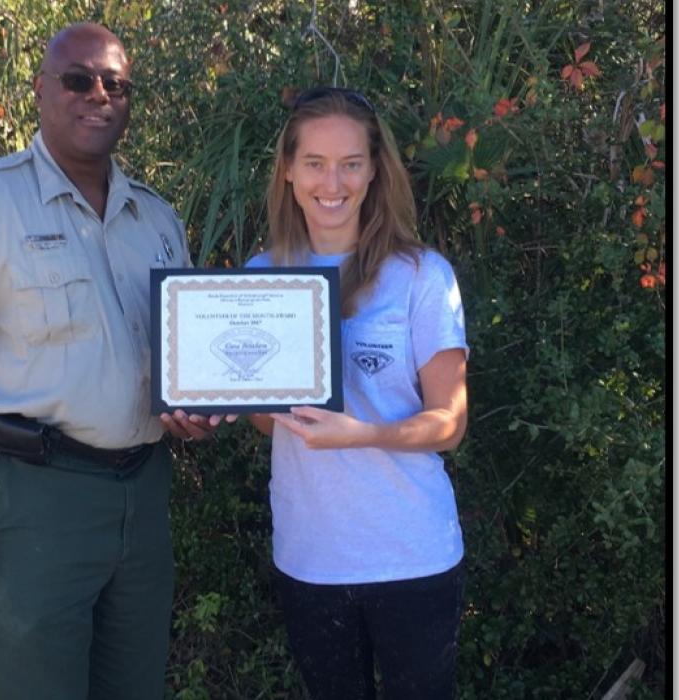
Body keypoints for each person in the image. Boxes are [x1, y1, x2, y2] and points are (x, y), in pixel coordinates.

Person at [0, 22, 220, 700]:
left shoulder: (158, 221)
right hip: (30, 501)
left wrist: (193, 409)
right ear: (40, 89)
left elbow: (180, 367)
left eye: (116, 84)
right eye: (78, 79)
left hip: (142, 494)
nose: (98, 95)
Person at [245, 87, 470, 699]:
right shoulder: (260, 279)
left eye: (350, 163)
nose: (332, 182)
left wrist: (364, 434)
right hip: (310, 555)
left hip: (412, 556)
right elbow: (270, 421)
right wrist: (216, 399)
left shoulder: (422, 277)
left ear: (375, 171)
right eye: (314, 162)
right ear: (288, 171)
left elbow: (449, 424)